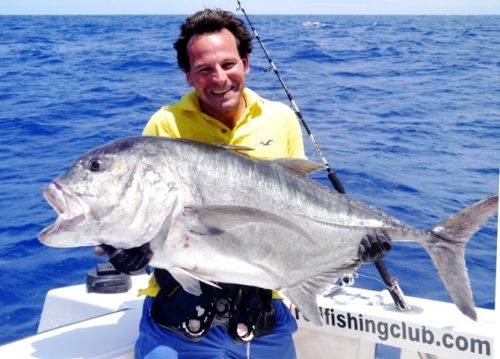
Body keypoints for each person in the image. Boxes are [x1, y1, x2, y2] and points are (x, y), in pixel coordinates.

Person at [98, 8, 392, 359]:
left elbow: (300, 207)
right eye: (204, 69)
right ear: (188, 76)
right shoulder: (165, 126)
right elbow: (145, 212)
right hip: (180, 319)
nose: (219, 78)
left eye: (228, 64)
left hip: (263, 315)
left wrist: (353, 247)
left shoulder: (279, 119)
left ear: (246, 64)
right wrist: (127, 252)